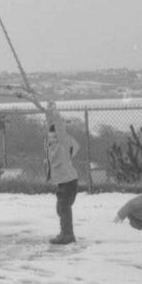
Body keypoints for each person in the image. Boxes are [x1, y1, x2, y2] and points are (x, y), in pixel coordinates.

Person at [44, 101, 80, 244]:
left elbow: (59, 127)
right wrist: (48, 112)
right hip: (63, 183)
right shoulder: (53, 146)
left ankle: (67, 235)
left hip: (69, 183)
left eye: (54, 136)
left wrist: (55, 112)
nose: (51, 138)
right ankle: (66, 233)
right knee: (61, 208)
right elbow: (51, 127)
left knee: (63, 208)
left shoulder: (63, 146)